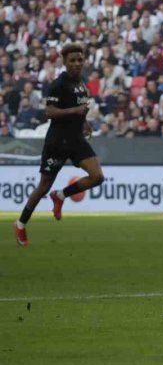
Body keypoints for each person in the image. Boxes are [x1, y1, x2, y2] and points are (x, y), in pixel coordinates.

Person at [15, 43, 105, 246]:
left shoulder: (82, 83)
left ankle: (61, 195)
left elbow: (79, 110)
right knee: (44, 186)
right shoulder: (59, 84)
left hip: (75, 140)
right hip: (57, 141)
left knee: (97, 176)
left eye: (79, 60)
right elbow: (50, 112)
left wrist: (85, 123)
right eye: (72, 60)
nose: (76, 64)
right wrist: (75, 112)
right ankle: (21, 224)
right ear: (64, 62)